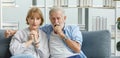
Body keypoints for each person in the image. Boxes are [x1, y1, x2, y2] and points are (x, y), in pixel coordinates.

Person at [5, 7, 86, 58]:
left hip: (73, 56)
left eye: (58, 18)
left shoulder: (73, 28)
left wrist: (61, 34)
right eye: (53, 19)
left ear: (64, 18)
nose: (56, 21)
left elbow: (77, 49)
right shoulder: (47, 30)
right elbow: (33, 28)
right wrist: (14, 32)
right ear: (50, 19)